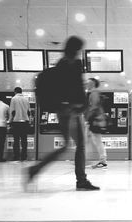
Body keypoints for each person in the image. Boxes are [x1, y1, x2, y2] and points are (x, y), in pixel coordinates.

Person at [26, 36, 99, 191]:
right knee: (80, 145)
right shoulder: (74, 64)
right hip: (71, 110)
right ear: (77, 49)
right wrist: (83, 105)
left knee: (67, 145)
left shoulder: (60, 63)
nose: (80, 53)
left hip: (61, 110)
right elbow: (76, 87)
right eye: (80, 50)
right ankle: (81, 180)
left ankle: (36, 169)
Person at [86, 78, 108, 169]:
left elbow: (94, 107)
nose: (87, 84)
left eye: (89, 83)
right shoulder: (95, 93)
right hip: (97, 119)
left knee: (95, 140)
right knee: (93, 140)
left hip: (95, 120)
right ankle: (101, 161)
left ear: (93, 84)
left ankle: (102, 161)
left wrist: (87, 118)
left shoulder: (94, 93)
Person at [9, 87, 30, 161]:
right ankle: (24, 157)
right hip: (25, 122)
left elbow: (12, 111)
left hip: (16, 122)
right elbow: (28, 111)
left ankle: (16, 157)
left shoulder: (14, 99)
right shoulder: (26, 99)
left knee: (16, 140)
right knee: (24, 140)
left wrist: (10, 121)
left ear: (15, 92)